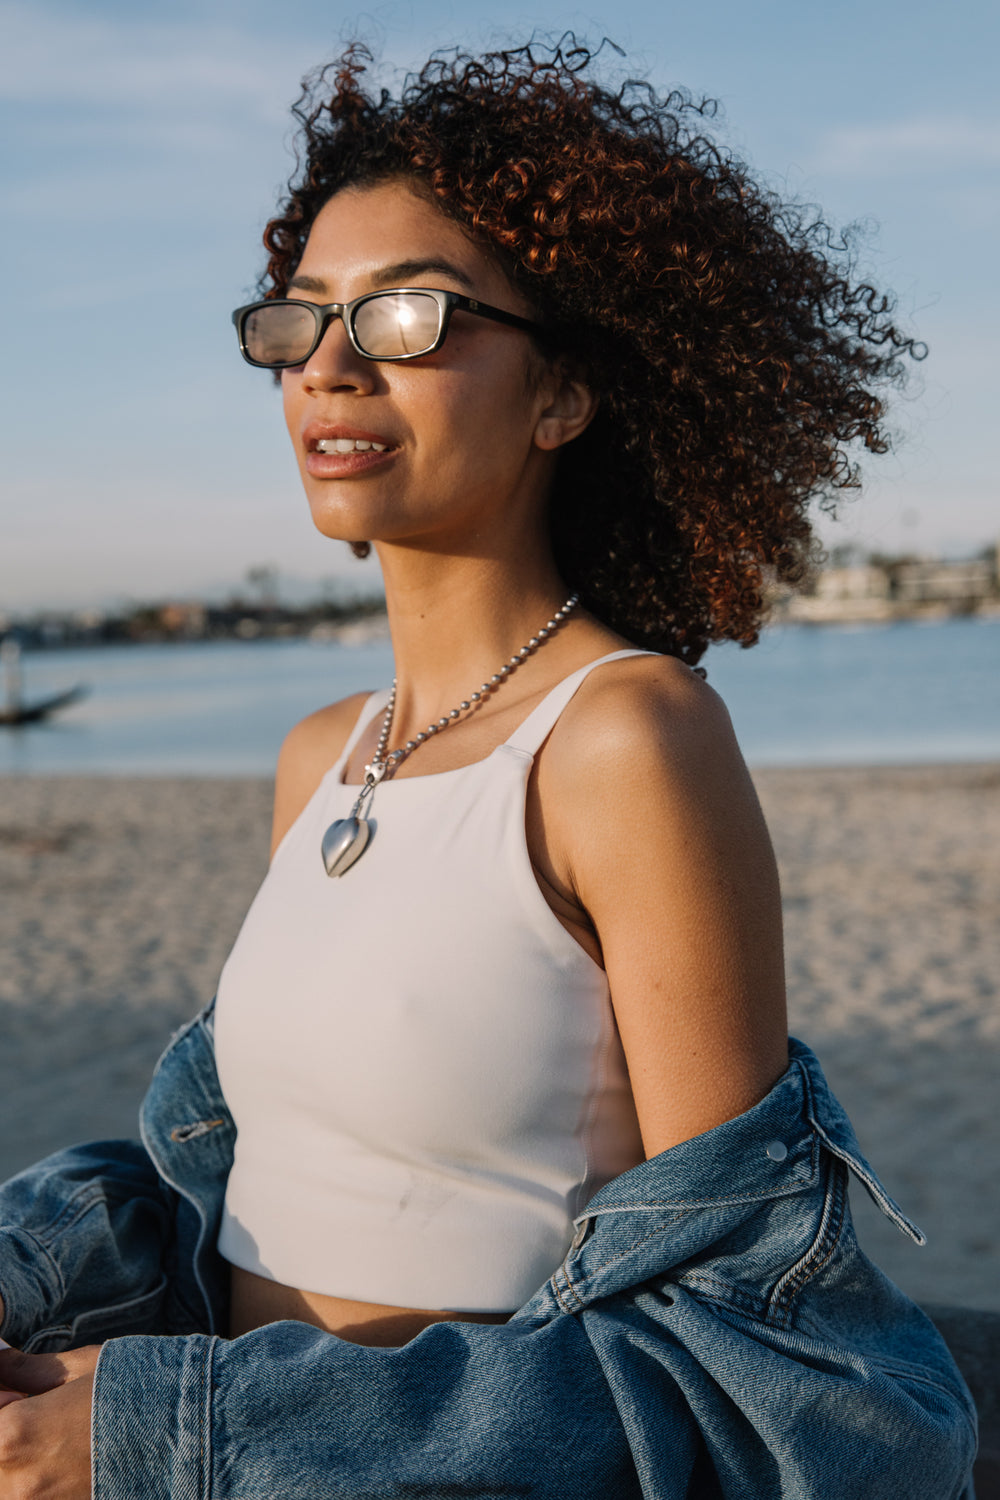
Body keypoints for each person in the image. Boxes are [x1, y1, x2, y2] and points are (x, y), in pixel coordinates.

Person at [0, 38, 976, 1498]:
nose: (330, 363)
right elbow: (243, 1185)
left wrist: (167, 1431)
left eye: (409, 314)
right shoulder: (320, 756)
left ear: (564, 394)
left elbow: (727, 1343)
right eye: (303, 319)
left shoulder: (627, 738)